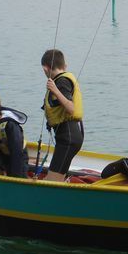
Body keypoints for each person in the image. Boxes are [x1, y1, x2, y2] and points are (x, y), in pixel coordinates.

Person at [41, 49, 84, 182]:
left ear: (45, 68)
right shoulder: (63, 79)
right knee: (57, 177)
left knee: (52, 180)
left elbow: (71, 108)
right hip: (69, 136)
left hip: (68, 137)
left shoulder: (61, 82)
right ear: (64, 66)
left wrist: (55, 90)